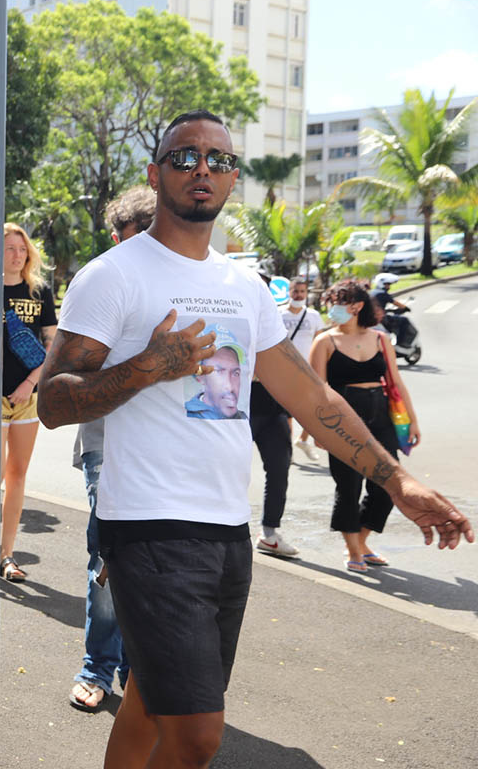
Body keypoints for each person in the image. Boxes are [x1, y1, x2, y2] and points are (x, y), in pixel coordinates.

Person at [38, 110, 471, 769]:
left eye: (218, 158)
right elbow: (53, 400)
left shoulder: (242, 285)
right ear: (156, 174)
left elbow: (311, 397)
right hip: (150, 527)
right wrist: (149, 366)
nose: (202, 169)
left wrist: (397, 480)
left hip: (224, 528)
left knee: (151, 706)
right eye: (184, 157)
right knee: (197, 733)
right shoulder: (116, 275)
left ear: (234, 177)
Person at [68, 184, 153, 712]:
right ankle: (98, 665)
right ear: (117, 236)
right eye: (134, 237)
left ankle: (131, 666)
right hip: (107, 442)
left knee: (152, 563)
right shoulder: (102, 280)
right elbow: (71, 378)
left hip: (167, 450)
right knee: (108, 560)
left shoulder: (184, 280)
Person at [310, 279, 422, 572]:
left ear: (356, 306)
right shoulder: (324, 341)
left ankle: (361, 540)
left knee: (387, 486)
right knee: (348, 487)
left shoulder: (380, 339)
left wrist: (411, 421)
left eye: (335, 303)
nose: (330, 309)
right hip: (342, 421)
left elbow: (396, 382)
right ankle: (353, 550)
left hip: (381, 417)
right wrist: (316, 430)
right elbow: (316, 390)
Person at [0, 223, 57, 582]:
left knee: (16, 476)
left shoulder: (40, 292)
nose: (17, 254)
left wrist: (30, 383)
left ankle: (7, 555)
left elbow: (52, 345)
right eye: (9, 248)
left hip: (27, 397)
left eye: (22, 248)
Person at [251, 275, 324, 558]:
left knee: (280, 468)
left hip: (273, 407)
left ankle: (269, 533)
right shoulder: (233, 315)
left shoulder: (275, 320)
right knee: (225, 470)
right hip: (237, 407)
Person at [285, 277, 325, 461]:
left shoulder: (314, 316)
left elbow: (320, 343)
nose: (298, 295)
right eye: (295, 291)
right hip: (285, 371)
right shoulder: (278, 315)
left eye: (302, 291)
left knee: (313, 410)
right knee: (286, 414)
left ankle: (302, 440)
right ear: (289, 292)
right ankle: (287, 449)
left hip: (309, 372)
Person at [182, 326, 247, 420]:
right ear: (199, 376)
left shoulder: (243, 417)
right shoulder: (184, 414)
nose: (230, 386)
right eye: (219, 371)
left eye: (235, 373)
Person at [371, 272, 413, 346]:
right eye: (387, 284)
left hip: (372, 318)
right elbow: (396, 303)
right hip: (380, 319)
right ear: (382, 284)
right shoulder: (383, 294)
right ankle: (401, 344)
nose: (389, 287)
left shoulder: (372, 292)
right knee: (403, 321)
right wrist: (406, 308)